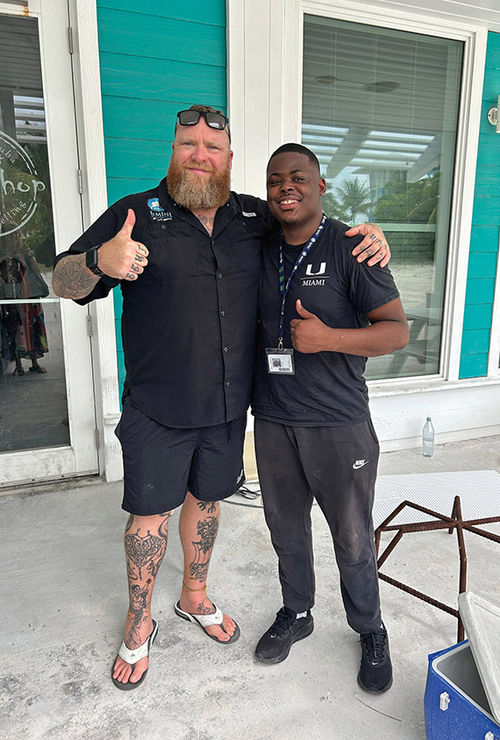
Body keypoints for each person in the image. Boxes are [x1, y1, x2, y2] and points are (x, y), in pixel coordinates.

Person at [52, 105, 391, 691]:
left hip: (232, 408)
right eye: (189, 144)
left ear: (230, 160)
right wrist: (97, 261)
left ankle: (195, 596)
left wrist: (368, 231)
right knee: (150, 517)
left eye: (213, 147)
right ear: (174, 151)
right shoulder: (134, 214)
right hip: (158, 407)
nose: (200, 155)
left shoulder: (254, 217)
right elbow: (61, 280)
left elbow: (310, 220)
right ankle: (139, 624)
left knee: (207, 502)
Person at [252, 143, 409, 694]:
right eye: (275, 180)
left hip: (339, 424)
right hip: (272, 419)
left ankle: (370, 628)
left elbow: (396, 329)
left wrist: (328, 340)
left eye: (297, 177)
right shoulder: (259, 242)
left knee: (352, 536)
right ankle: (297, 612)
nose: (285, 187)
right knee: (286, 530)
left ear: (321, 186)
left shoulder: (350, 246)